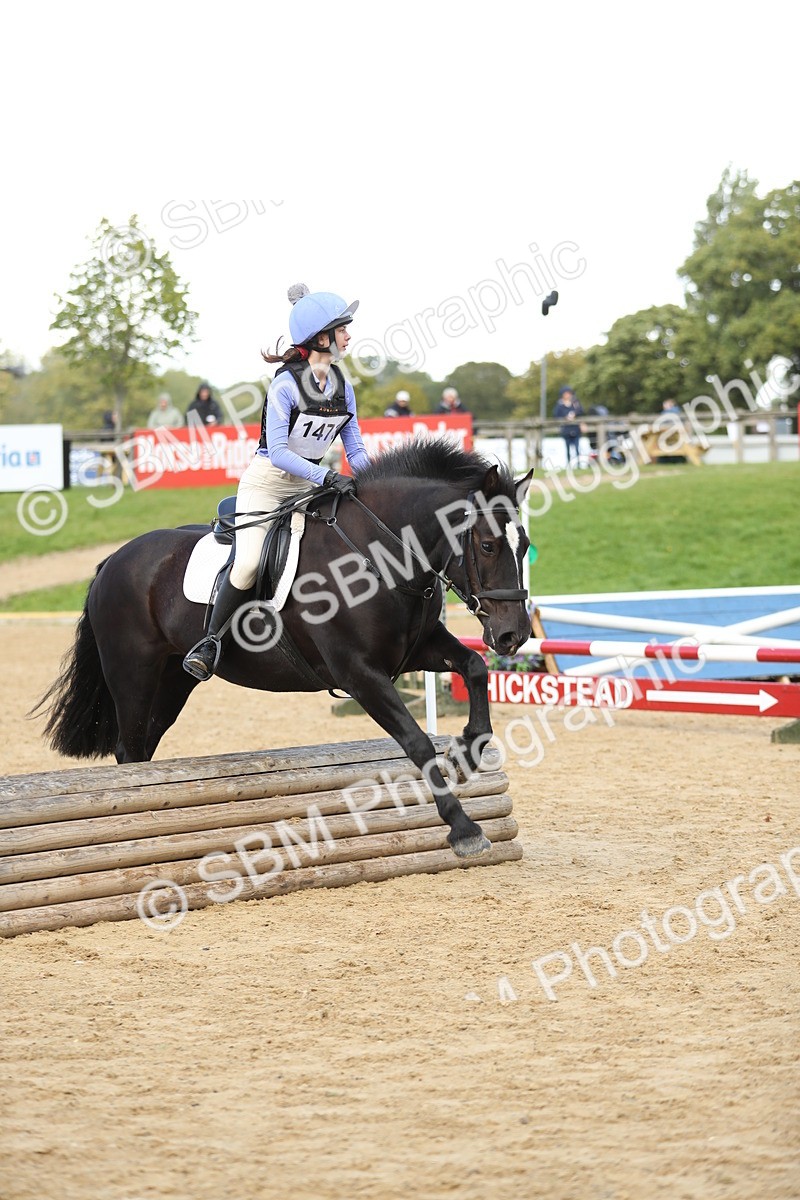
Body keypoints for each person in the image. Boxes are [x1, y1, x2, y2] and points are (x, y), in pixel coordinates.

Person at [183, 283, 371, 682]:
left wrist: (373, 482)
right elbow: (280, 452)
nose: (349, 336)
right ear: (322, 338)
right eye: (343, 329)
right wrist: (328, 475)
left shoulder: (344, 387)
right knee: (249, 562)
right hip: (268, 484)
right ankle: (210, 642)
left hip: (310, 486)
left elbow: (355, 448)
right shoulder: (285, 384)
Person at [553, 385, 585, 464]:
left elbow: (581, 412)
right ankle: (569, 464)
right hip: (566, 430)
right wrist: (565, 417)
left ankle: (578, 465)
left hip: (576, 429)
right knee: (567, 449)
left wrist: (575, 414)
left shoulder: (575, 404)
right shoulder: (560, 405)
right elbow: (556, 415)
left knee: (577, 448)